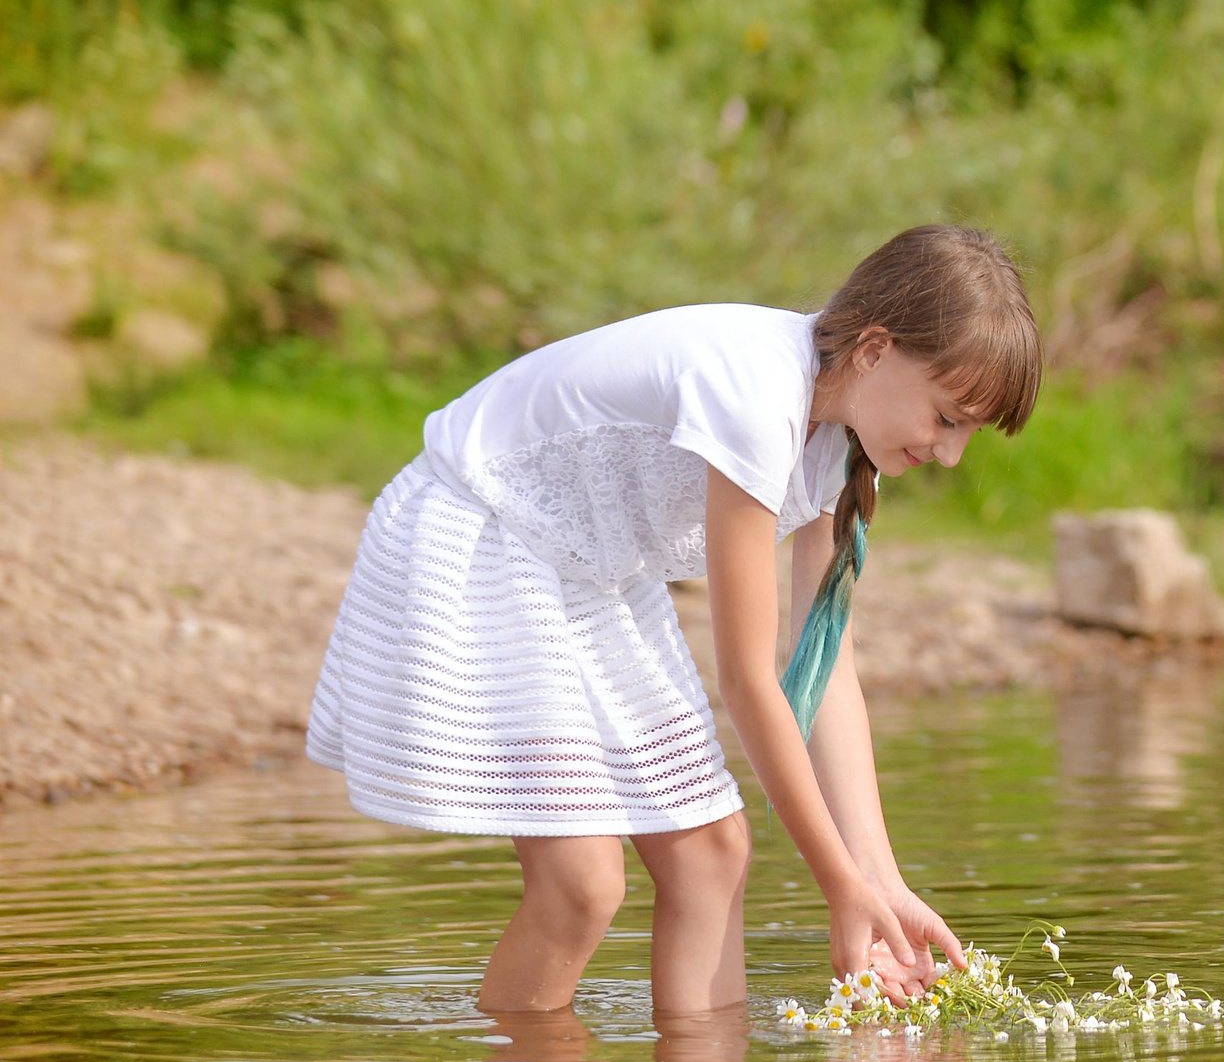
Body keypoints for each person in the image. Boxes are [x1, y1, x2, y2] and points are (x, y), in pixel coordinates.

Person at [305, 224, 1041, 1015]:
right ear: (873, 349)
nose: (952, 453)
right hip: (487, 532)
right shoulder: (759, 395)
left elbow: (827, 674)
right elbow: (748, 677)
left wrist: (879, 881)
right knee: (582, 884)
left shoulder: (843, 442)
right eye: (947, 417)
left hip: (586, 568)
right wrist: (839, 885)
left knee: (712, 858)